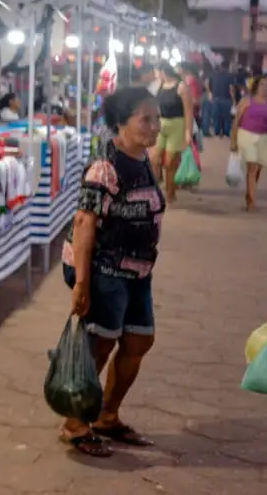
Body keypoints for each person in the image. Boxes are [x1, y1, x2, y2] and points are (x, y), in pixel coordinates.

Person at [59, 86, 164, 457]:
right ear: (121, 123)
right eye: (145, 119)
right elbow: (85, 223)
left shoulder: (144, 160)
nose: (155, 127)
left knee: (138, 341)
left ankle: (108, 416)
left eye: (157, 119)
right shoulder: (105, 166)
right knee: (100, 343)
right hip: (104, 269)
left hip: (138, 271)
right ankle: (75, 425)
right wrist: (82, 284)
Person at [230, 76, 267, 211]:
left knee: (257, 170)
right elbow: (236, 121)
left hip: (264, 138)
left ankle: (249, 193)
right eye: (262, 85)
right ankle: (252, 202)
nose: (265, 88)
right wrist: (233, 141)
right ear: (256, 86)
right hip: (246, 136)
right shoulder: (247, 101)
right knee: (252, 168)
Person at [153, 63, 193, 202]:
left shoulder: (181, 87)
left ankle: (171, 193)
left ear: (163, 71)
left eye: (156, 71)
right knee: (154, 159)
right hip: (160, 124)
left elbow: (188, 111)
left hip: (177, 125)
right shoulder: (159, 86)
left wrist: (188, 131)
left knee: (170, 162)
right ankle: (157, 187)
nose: (155, 75)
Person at [207, 65, 235, 138]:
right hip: (226, 98)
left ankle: (217, 131)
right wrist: (234, 99)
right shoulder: (229, 76)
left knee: (216, 116)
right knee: (227, 117)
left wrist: (210, 94)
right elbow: (231, 89)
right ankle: (226, 132)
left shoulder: (213, 76)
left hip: (216, 98)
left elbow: (208, 84)